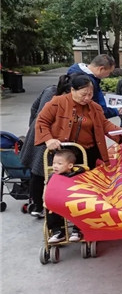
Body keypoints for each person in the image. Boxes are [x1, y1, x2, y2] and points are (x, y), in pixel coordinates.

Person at [35, 74, 122, 170]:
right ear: (72, 90)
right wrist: (48, 139)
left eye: (90, 94)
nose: (87, 98)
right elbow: (42, 121)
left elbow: (104, 124)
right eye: (83, 95)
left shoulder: (95, 107)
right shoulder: (57, 102)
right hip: (65, 153)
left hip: (88, 152)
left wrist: (121, 132)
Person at [20, 74, 72, 218]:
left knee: (38, 170)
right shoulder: (55, 97)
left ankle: (38, 204)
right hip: (46, 135)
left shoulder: (50, 90)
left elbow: (34, 108)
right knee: (40, 170)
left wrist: (32, 125)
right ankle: (39, 205)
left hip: (39, 132)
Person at [45, 148, 86, 243]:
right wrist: (45, 200)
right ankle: (57, 232)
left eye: (59, 164)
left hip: (74, 200)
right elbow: (47, 189)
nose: (55, 166)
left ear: (70, 166)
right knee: (50, 209)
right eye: (54, 163)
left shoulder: (78, 173)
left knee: (82, 207)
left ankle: (77, 230)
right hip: (58, 202)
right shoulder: (52, 176)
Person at [67, 54, 120, 119]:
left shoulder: (75, 71)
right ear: (101, 69)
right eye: (108, 72)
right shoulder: (88, 82)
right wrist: (115, 111)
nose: (108, 75)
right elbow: (98, 110)